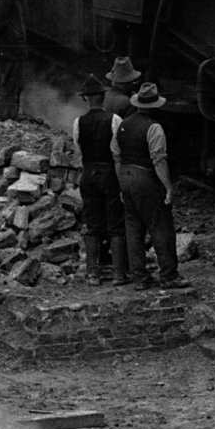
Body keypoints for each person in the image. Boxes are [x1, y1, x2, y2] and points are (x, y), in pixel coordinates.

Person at [113, 82, 183, 288]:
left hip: (125, 176)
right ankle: (169, 275)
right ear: (155, 106)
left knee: (133, 229)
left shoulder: (123, 125)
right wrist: (168, 188)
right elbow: (158, 160)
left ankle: (139, 277)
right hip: (145, 179)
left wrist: (121, 185)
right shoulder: (154, 128)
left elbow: (116, 156)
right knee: (160, 225)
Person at [74, 77, 129, 284]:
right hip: (110, 173)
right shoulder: (114, 120)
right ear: (103, 97)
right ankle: (118, 273)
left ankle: (92, 273)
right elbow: (118, 152)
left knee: (92, 222)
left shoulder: (78, 122)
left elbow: (79, 152)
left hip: (88, 174)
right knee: (116, 222)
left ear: (85, 99)